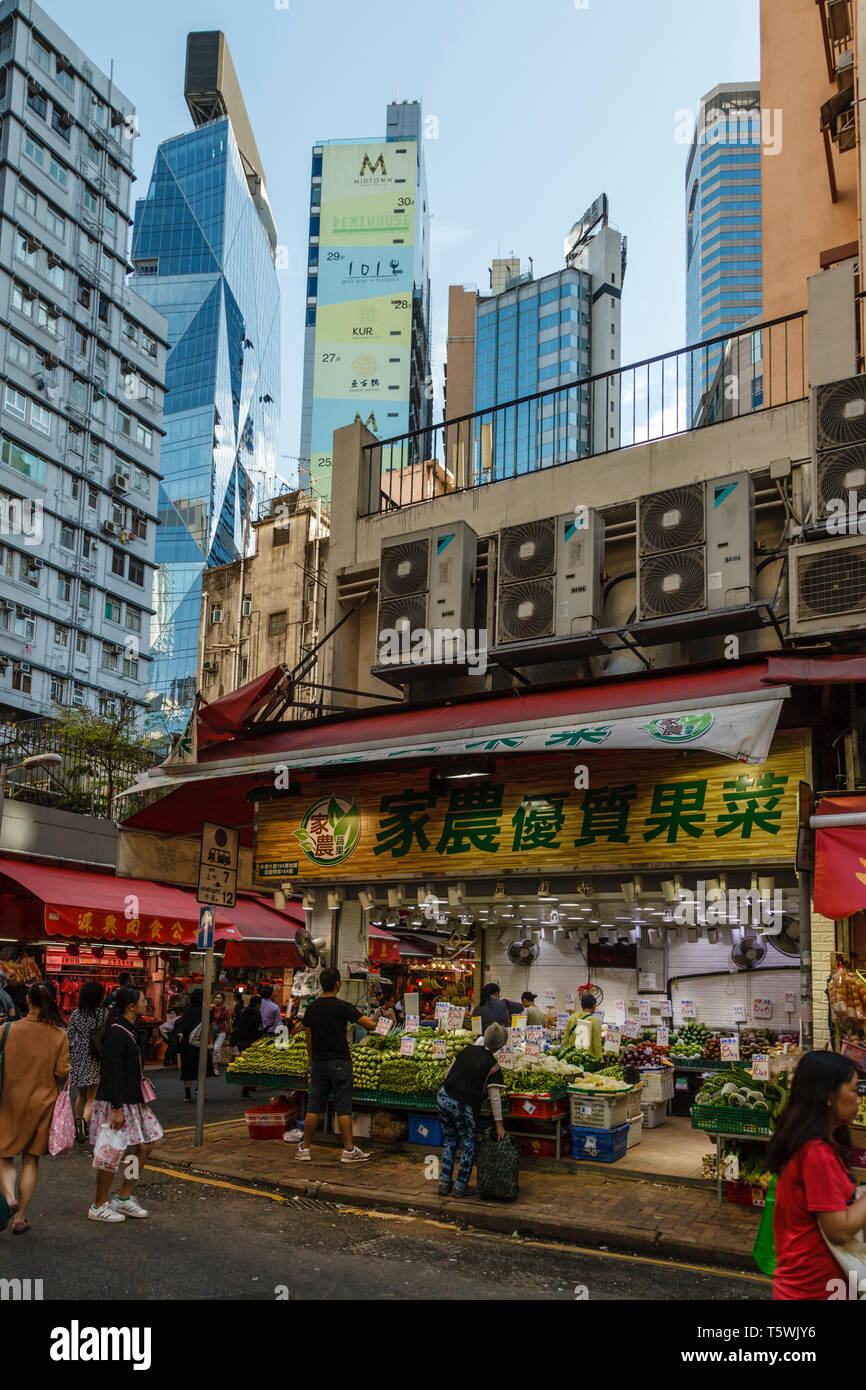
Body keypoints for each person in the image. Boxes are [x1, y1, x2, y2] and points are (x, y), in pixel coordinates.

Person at [767, 1051, 866, 1300]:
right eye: (854, 1091)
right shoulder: (816, 1153)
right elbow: (839, 1230)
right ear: (829, 1097)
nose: (859, 1100)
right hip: (813, 1291)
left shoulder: (812, 1144)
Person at [0, 980, 71, 1234]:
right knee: (30, 1160)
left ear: (27, 1001)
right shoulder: (60, 1035)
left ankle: (9, 1198)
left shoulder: (7, 1030)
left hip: (8, 1102)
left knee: (4, 1156)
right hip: (43, 1103)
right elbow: (62, 1071)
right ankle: (20, 1216)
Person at [89, 984, 164, 1223]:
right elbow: (111, 1072)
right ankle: (98, 1204)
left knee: (144, 1145)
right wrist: (117, 1109)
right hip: (117, 1102)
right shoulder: (117, 1033)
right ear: (131, 1007)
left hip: (132, 1101)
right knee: (111, 1153)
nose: (147, 1004)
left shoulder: (129, 1029)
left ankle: (123, 1197)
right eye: (144, 1000)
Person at [295, 967, 377, 1165]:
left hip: (318, 1063)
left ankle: (305, 1148)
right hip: (340, 1061)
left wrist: (310, 1058)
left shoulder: (312, 1007)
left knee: (314, 1106)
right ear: (338, 983)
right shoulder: (343, 1006)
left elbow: (308, 1034)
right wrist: (359, 1015)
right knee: (343, 1107)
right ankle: (348, 1150)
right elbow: (370, 1025)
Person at [436, 1021, 507, 1197]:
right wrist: (499, 1125)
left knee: (450, 1140)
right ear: (500, 1046)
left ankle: (444, 1183)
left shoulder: (466, 1050)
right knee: (469, 1143)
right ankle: (460, 1186)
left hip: (444, 1096)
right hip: (463, 1104)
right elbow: (495, 1098)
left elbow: (448, 1073)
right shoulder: (493, 1065)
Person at [66, 980, 108, 1143]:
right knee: (92, 1096)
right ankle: (83, 1121)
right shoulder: (103, 1013)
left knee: (81, 1095)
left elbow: (68, 1036)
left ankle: (78, 1126)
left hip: (78, 1055)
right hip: (95, 1055)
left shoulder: (76, 1014)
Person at [172, 988, 215, 1103]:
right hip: (200, 1043)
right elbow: (210, 1022)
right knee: (201, 1067)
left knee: (188, 1069)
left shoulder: (188, 1011)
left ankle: (187, 1095)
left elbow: (181, 1025)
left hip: (187, 1043)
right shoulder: (206, 1011)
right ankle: (199, 1089)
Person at [231, 994, 263, 1098]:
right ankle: (246, 1089)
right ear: (258, 1005)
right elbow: (258, 1029)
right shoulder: (257, 1014)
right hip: (251, 1041)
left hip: (241, 1041)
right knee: (251, 1064)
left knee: (246, 1063)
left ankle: (249, 1086)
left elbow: (235, 1024)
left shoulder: (242, 1012)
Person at [563, 991, 604, 1059]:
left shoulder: (572, 1018)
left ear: (582, 1005)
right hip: (586, 1058)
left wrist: (565, 1054)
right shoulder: (594, 1021)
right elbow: (597, 1044)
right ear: (594, 1006)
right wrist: (600, 1059)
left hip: (571, 1056)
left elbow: (565, 1039)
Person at [211, 992, 230, 1071]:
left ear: (223, 1000)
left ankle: (215, 1068)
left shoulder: (225, 1010)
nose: (217, 1000)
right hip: (210, 1032)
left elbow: (229, 1021)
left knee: (216, 1048)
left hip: (221, 1031)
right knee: (209, 1049)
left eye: (219, 998)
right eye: (216, 998)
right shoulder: (211, 1008)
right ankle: (209, 1067)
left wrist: (231, 1032)